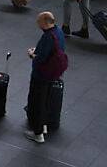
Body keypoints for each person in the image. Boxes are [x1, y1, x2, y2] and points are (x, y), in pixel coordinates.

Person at [25, 11, 67, 144]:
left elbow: (40, 58)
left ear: (45, 22)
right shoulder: (59, 32)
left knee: (38, 101)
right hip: (53, 73)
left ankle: (38, 134)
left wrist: (32, 54)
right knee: (46, 100)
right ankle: (43, 126)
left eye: (39, 21)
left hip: (41, 75)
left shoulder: (47, 37)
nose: (37, 24)